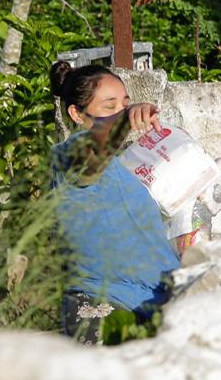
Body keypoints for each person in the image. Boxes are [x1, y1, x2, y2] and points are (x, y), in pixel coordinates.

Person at [49, 61, 181, 344]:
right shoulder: (68, 154)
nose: (120, 112)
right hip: (107, 308)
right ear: (76, 113)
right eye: (109, 106)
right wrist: (125, 119)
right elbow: (93, 147)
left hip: (153, 304)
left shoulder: (122, 166)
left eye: (125, 103)